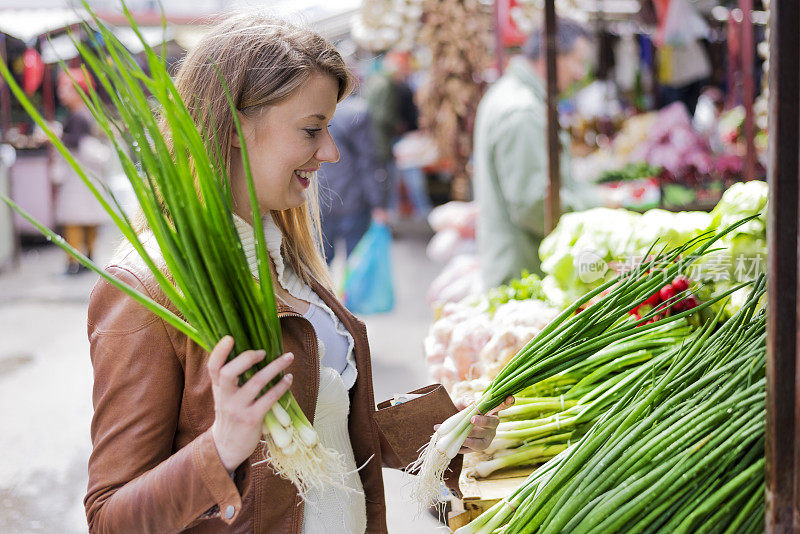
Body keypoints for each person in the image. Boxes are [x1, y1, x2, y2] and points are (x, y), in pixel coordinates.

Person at [83, 15, 511, 534]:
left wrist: (442, 427)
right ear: (236, 126)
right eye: (313, 129)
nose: (330, 151)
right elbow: (110, 519)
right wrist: (221, 446)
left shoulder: (284, 253)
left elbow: (326, 434)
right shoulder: (146, 288)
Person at [472, 19, 594, 289]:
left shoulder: (512, 95)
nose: (579, 74)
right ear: (551, 57)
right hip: (523, 272)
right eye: (577, 61)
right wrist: (596, 205)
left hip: (518, 266)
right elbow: (534, 206)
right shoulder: (522, 111)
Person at [320, 93, 388, 264]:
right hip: (353, 199)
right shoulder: (357, 113)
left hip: (322, 198)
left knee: (321, 265)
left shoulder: (314, 109)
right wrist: (378, 203)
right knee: (356, 264)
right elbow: (368, 162)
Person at [52, 68, 109, 275]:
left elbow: (75, 142)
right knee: (86, 218)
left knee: (74, 218)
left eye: (66, 89)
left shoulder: (79, 117)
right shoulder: (88, 113)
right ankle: (88, 258)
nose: (61, 93)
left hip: (79, 176)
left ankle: (74, 261)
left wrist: (56, 137)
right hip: (88, 176)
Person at [366, 50, 432, 220]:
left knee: (394, 181)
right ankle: (419, 212)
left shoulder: (378, 82)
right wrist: (399, 126)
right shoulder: (390, 85)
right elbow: (385, 116)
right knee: (406, 179)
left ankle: (397, 216)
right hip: (397, 140)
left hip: (390, 141)